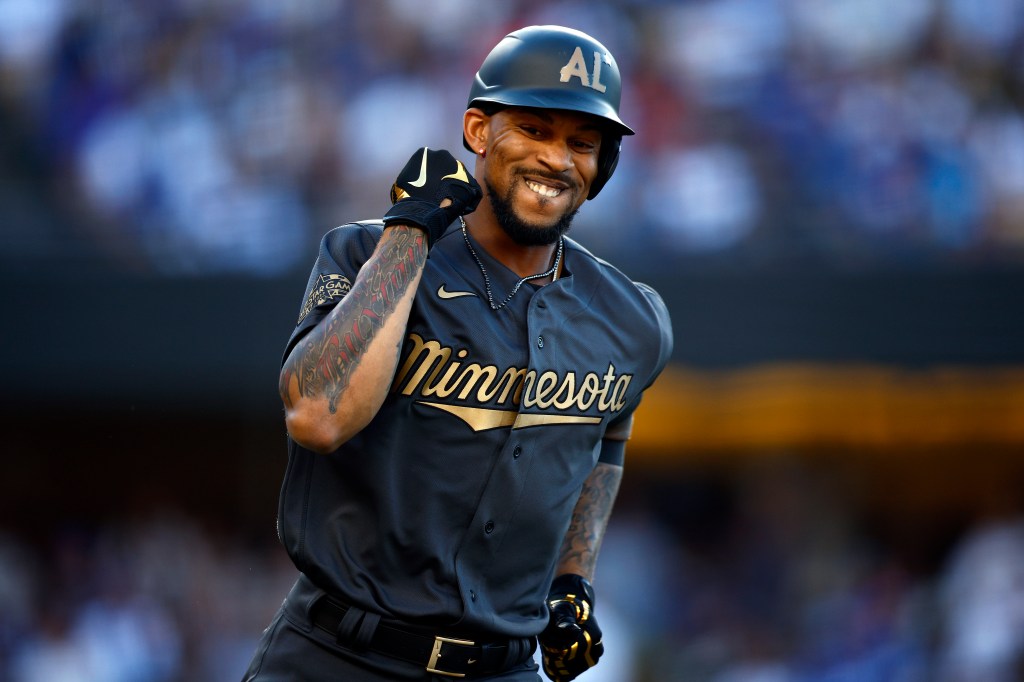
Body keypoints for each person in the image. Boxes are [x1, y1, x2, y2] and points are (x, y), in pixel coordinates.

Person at [243, 25, 673, 682]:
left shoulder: (632, 318)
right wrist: (410, 232)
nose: (558, 159)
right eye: (534, 129)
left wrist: (573, 581)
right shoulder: (366, 254)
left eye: (582, 143)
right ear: (477, 130)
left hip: (503, 669)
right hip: (338, 657)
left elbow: (605, 440)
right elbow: (317, 417)